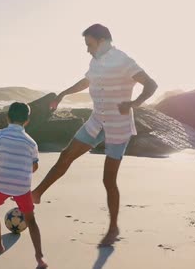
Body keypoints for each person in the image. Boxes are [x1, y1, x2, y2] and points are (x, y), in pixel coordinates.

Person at [32, 23, 158, 246]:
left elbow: (151, 84)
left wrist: (134, 103)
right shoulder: (96, 62)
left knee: (108, 180)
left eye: (89, 44)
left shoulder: (123, 60)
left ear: (102, 41)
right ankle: (36, 194)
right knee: (66, 156)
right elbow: (87, 81)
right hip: (97, 120)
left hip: (118, 127)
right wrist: (63, 93)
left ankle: (113, 228)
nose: (87, 49)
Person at [0, 102, 48, 269]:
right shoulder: (31, 143)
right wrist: (20, 177)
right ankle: (40, 258)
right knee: (31, 220)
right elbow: (34, 166)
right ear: (27, 120)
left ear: (7, 117)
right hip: (21, 187)